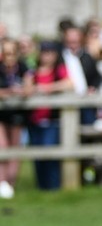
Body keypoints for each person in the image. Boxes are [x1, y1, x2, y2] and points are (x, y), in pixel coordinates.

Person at [27, 44, 73, 191]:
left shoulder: (59, 71)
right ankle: (42, 187)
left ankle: (54, 187)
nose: (47, 57)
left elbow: (69, 84)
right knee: (37, 156)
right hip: (35, 120)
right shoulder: (32, 73)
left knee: (50, 154)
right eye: (45, 53)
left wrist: (47, 88)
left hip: (52, 120)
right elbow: (26, 89)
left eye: (51, 53)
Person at [0, 38, 32, 198]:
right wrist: (8, 92)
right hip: (1, 113)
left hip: (18, 113)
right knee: (3, 146)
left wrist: (19, 91)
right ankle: (2, 182)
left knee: (15, 148)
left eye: (12, 53)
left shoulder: (23, 66)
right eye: (6, 53)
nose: (9, 57)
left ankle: (11, 184)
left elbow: (28, 88)